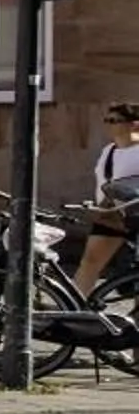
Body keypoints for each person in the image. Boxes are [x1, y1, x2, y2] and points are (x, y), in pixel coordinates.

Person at [74, 101, 139, 296]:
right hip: (111, 215)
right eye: (107, 120)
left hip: (136, 214)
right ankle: (74, 309)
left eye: (114, 120)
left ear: (134, 124)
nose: (109, 124)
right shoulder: (108, 150)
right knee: (90, 262)